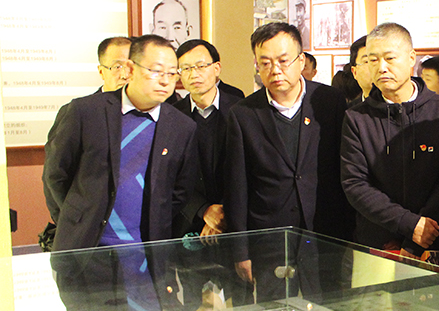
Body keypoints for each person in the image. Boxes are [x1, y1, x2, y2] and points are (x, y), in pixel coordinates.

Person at [224, 22, 351, 296]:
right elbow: (237, 187)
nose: (275, 70)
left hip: (324, 232)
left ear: (301, 61)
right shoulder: (243, 114)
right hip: (269, 239)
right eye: (265, 63)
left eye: (283, 61)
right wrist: (240, 250)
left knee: (329, 310)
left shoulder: (329, 102)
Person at [43, 34, 197, 252]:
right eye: (156, 71)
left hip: (146, 250)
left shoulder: (182, 127)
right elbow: (56, 175)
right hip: (85, 247)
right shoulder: (85, 112)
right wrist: (75, 220)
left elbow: (180, 191)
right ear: (131, 69)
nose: (165, 81)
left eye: (172, 73)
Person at [341, 23, 439, 265]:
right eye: (372, 60)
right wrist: (409, 223)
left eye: (390, 58)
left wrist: (421, 231)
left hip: (432, 239)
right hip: (377, 243)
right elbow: (355, 183)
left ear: (411, 58)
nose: (381, 68)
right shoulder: (356, 117)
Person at [172, 39, 244, 237]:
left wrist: (223, 212)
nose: (194, 74)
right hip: (187, 222)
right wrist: (203, 210)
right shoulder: (171, 116)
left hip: (236, 220)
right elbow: (168, 174)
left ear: (217, 68)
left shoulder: (242, 110)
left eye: (201, 66)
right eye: (186, 68)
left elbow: (250, 169)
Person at [348, 36, 372, 106]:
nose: (378, 67)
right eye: (367, 61)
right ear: (354, 72)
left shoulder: (400, 108)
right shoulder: (348, 110)